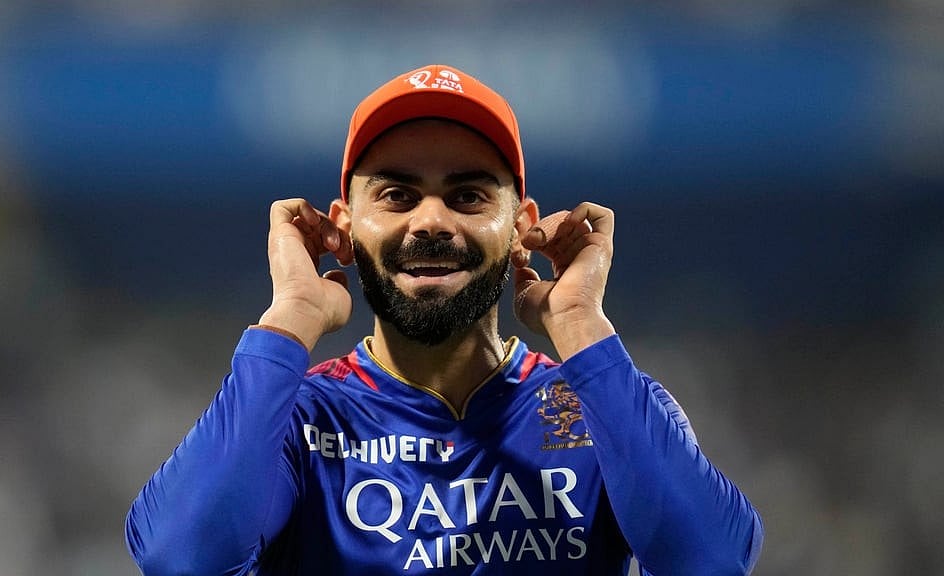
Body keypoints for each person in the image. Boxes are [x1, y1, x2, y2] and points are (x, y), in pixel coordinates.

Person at [125, 64, 764, 575]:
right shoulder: (296, 419)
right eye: (397, 194)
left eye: (468, 196)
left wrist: (580, 326)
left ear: (521, 226)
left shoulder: (601, 408)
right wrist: (289, 318)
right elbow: (183, 559)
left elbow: (709, 560)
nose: (431, 222)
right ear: (345, 226)